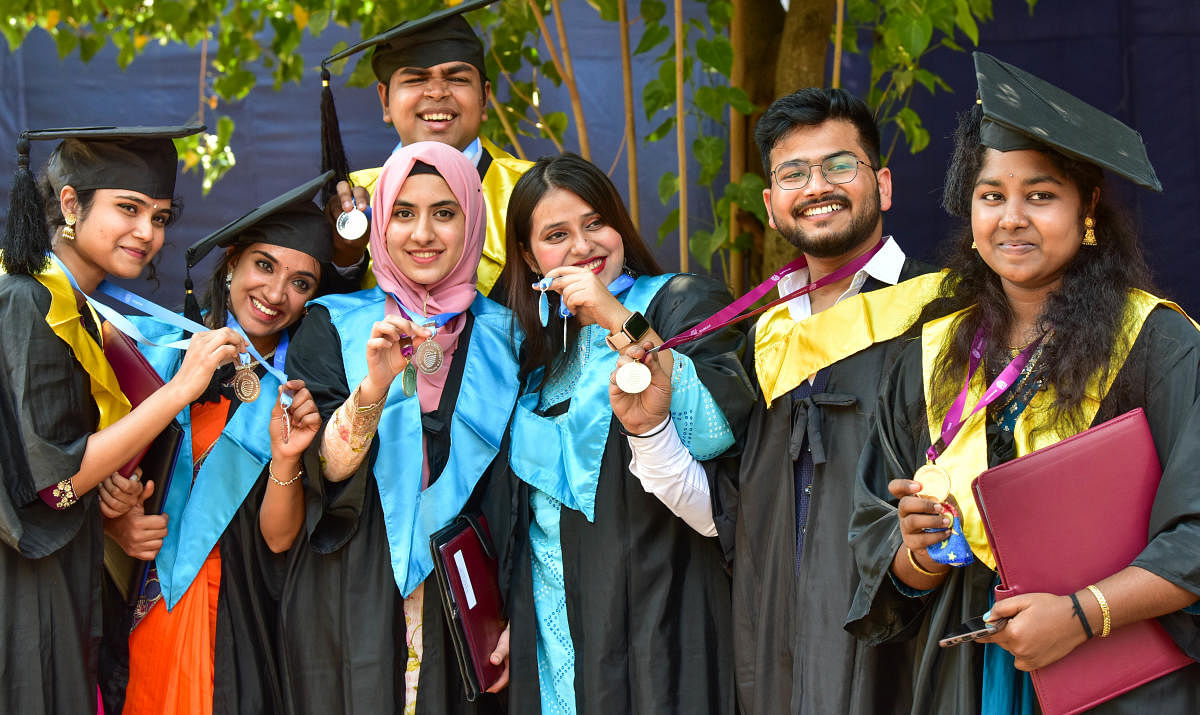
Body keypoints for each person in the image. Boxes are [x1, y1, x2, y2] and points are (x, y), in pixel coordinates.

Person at [848, 52, 1200, 713]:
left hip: (1115, 667)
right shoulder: (932, 353)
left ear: (1087, 205)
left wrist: (1080, 613)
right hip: (971, 669)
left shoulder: (1157, 342)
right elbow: (873, 532)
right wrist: (916, 550)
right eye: (992, 196)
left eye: (1040, 195)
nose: (1012, 218)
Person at [616, 87, 944, 714]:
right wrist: (651, 430)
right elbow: (731, 516)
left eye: (839, 165)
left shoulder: (940, 318)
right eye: (793, 173)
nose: (816, 186)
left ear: (884, 184)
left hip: (901, 650)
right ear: (771, 205)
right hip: (775, 661)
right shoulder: (766, 340)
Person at [489, 152, 754, 714]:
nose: (583, 246)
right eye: (557, 234)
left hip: (663, 601)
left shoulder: (681, 301)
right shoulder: (535, 357)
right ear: (529, 257)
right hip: (556, 619)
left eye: (595, 223)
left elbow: (715, 434)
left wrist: (618, 317)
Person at [0, 125, 247, 713]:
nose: (148, 234)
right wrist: (182, 388)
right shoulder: (25, 299)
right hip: (23, 586)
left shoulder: (73, 306)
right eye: (129, 209)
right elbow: (52, 480)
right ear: (68, 204)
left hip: (62, 574)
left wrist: (114, 508)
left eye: (160, 218)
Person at [278, 141, 519, 714]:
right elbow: (324, 468)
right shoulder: (332, 324)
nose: (423, 234)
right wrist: (372, 390)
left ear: (473, 220)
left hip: (472, 593)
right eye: (403, 213)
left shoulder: (510, 336)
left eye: (444, 212)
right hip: (353, 587)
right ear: (379, 223)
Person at [103, 173, 333, 714]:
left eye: (302, 284)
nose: (276, 294)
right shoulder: (157, 356)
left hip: (239, 620)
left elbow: (279, 541)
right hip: (141, 608)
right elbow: (88, 482)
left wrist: (284, 456)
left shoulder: (302, 394)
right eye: (264, 265)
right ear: (231, 261)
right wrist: (111, 516)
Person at [319, 0, 533, 298]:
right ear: (385, 101)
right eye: (416, 79)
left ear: (484, 98)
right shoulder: (350, 202)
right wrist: (345, 255)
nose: (436, 92)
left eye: (457, 78)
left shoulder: (533, 192)